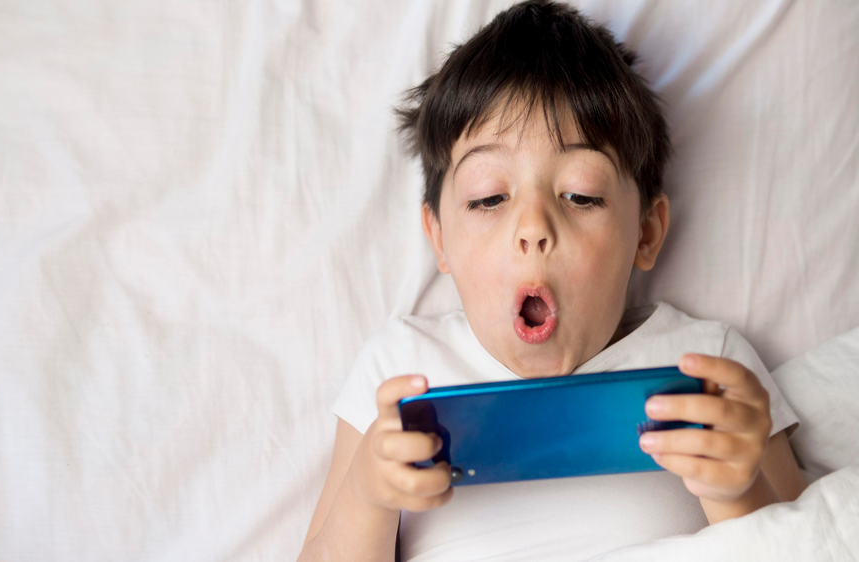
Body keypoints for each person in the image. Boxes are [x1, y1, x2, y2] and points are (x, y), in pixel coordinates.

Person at [299, 1, 808, 560]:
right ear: (439, 238)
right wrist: (367, 496)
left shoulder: (709, 365)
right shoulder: (398, 369)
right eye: (489, 197)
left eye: (581, 195)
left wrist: (736, 494)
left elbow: (816, 541)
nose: (534, 228)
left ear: (645, 233)